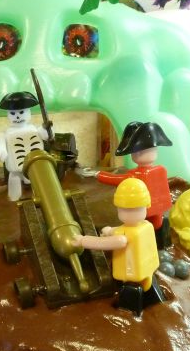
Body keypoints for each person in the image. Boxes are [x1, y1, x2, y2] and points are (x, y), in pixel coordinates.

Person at [73, 178, 163, 316]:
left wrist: (82, 240)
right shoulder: (146, 226)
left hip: (131, 281)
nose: (129, 213)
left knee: (128, 308)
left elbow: (103, 243)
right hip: (149, 273)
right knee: (153, 297)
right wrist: (110, 230)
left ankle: (130, 317)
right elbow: (124, 230)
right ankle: (158, 304)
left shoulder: (123, 237)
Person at [97, 121, 173, 248]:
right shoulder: (160, 170)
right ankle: (158, 243)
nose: (136, 154)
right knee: (156, 224)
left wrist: (99, 175)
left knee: (143, 227)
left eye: (137, 151)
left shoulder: (137, 175)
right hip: (156, 209)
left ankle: (151, 244)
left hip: (143, 210)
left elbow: (116, 179)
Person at [0, 91, 48, 201]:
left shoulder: (34, 130)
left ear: (28, 112)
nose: (17, 116)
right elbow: (0, 142)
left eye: (21, 112)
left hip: (35, 166)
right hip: (15, 168)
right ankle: (14, 199)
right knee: (14, 179)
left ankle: (42, 198)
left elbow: (46, 136)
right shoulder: (6, 134)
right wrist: (1, 151)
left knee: (38, 184)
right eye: (13, 114)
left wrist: (46, 128)